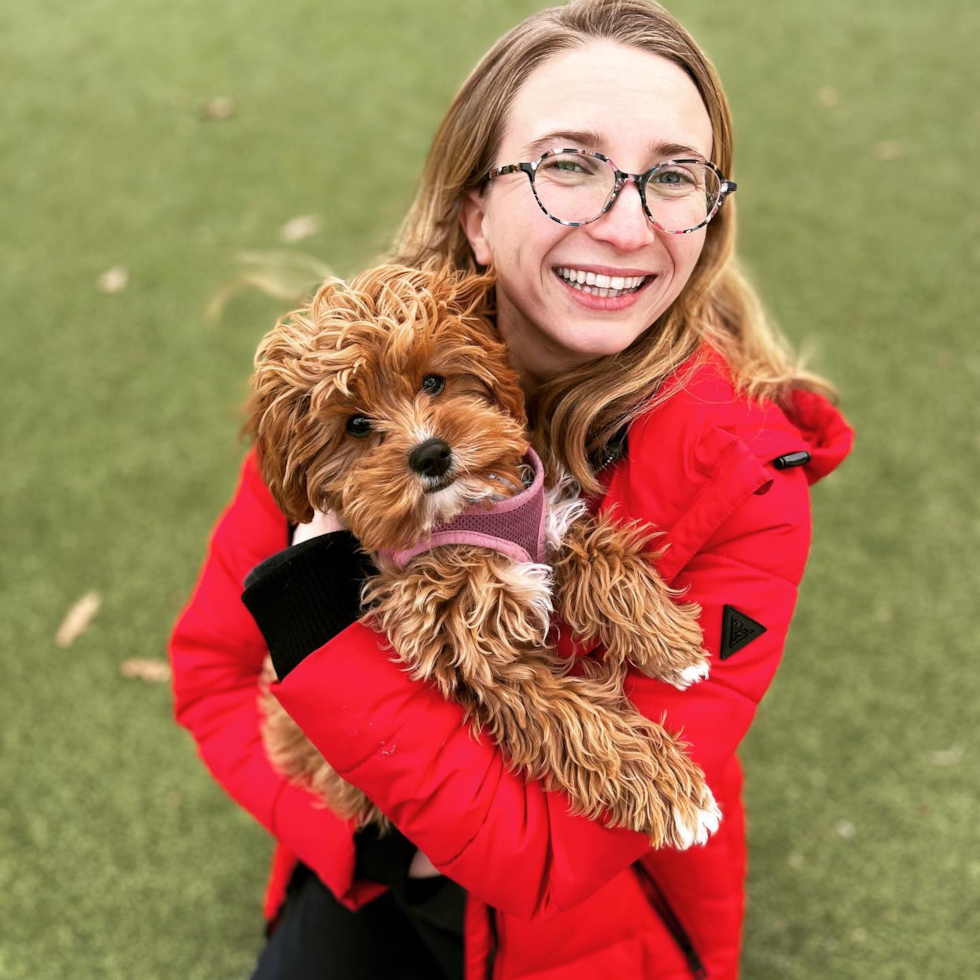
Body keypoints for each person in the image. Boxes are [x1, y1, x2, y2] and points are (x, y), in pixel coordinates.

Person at [167, 1, 855, 977]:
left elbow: (547, 857)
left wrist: (321, 633)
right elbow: (215, 673)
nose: (624, 223)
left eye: (670, 177)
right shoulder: (331, 396)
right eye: (567, 163)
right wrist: (365, 841)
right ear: (474, 211)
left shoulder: (748, 477)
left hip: (598, 916)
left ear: (706, 222)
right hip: (363, 852)